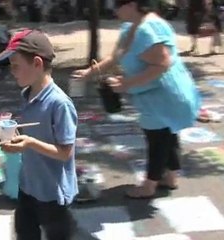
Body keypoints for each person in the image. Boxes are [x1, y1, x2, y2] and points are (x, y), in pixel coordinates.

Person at [72, 0, 200, 199]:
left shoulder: (146, 30)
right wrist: (90, 71)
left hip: (163, 94)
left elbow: (162, 64)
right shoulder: (131, 27)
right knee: (168, 133)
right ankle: (170, 177)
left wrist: (127, 84)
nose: (114, 10)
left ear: (132, 4)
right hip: (158, 93)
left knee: (157, 138)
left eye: (118, 5)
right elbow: (115, 57)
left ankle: (149, 186)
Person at [0, 29, 78, 239]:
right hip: (29, 184)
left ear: (37, 64)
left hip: (52, 191)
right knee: (24, 232)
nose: (12, 72)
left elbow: (65, 152)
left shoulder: (60, 103)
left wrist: (29, 143)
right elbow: (31, 131)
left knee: (58, 234)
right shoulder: (28, 93)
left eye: (16, 66)